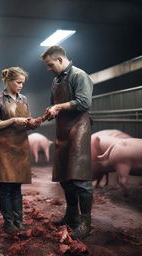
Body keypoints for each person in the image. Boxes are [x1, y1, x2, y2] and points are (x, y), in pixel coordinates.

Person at [41, 45, 94, 239]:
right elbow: (54, 103)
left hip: (79, 130)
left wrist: (59, 107)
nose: (49, 68)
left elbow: (84, 102)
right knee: (65, 177)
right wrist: (49, 111)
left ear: (60, 60)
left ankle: (86, 222)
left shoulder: (79, 76)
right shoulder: (56, 80)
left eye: (50, 64)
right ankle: (71, 216)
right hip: (62, 131)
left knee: (80, 178)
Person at [0, 66, 39, 234]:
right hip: (4, 146)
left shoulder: (24, 99)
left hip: (21, 146)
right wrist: (13, 120)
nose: (21, 86)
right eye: (18, 82)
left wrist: (34, 123)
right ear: (8, 81)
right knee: (5, 187)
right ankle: (8, 222)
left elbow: (27, 121)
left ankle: (19, 221)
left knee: (17, 187)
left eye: (22, 83)